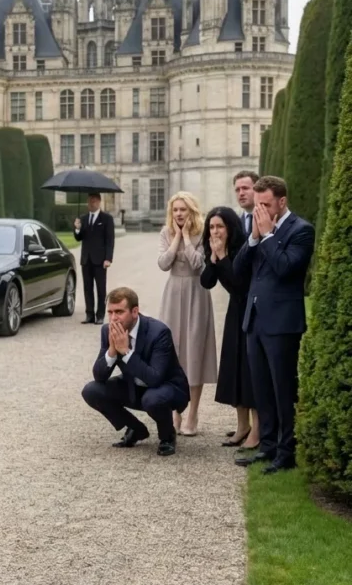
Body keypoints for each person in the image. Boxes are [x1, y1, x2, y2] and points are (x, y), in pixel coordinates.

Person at [233, 176, 315, 474]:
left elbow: (285, 268)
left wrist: (267, 235)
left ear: (282, 201)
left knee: (283, 388)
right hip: (254, 320)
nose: (261, 211)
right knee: (262, 388)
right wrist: (254, 239)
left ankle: (286, 451)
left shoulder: (301, 230)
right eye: (258, 205)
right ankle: (267, 446)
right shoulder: (258, 229)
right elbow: (239, 270)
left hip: (282, 323)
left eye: (265, 205)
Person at [82, 287, 190, 456]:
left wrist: (126, 352)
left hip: (167, 387)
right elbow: (99, 376)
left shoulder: (159, 332)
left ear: (134, 311)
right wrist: (112, 350)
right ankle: (136, 429)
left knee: (152, 399)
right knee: (91, 390)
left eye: (119, 312)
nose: (113, 318)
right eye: (110, 312)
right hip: (134, 385)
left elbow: (155, 378)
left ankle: (167, 435)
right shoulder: (108, 330)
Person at [157, 191, 217, 436]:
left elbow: (199, 265)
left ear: (191, 211)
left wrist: (186, 238)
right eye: (175, 210)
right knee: (173, 353)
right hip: (173, 293)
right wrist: (175, 239)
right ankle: (176, 412)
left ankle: (193, 413)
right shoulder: (165, 232)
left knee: (194, 352)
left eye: (183, 209)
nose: (179, 214)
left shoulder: (203, 233)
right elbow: (163, 263)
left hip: (196, 293)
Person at [199, 207, 259, 449]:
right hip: (235, 312)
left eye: (220, 227)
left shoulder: (243, 248)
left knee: (249, 370)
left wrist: (223, 257)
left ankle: (258, 429)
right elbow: (206, 282)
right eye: (211, 227)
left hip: (251, 311)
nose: (215, 231)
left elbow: (238, 285)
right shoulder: (215, 248)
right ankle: (242, 425)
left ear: (230, 228)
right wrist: (213, 259)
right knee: (234, 368)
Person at [73, 193, 115, 324]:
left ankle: (100, 315)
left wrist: (108, 258)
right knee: (87, 288)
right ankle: (89, 314)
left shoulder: (106, 219)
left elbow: (110, 240)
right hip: (86, 259)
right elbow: (79, 238)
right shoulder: (83, 218)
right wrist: (77, 229)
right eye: (90, 201)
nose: (91, 204)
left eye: (94, 201)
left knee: (101, 289)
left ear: (99, 202)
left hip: (100, 260)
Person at [234, 170, 260, 238]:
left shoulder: (270, 219)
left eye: (245, 188)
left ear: (257, 189)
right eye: (237, 190)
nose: (241, 193)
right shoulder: (235, 224)